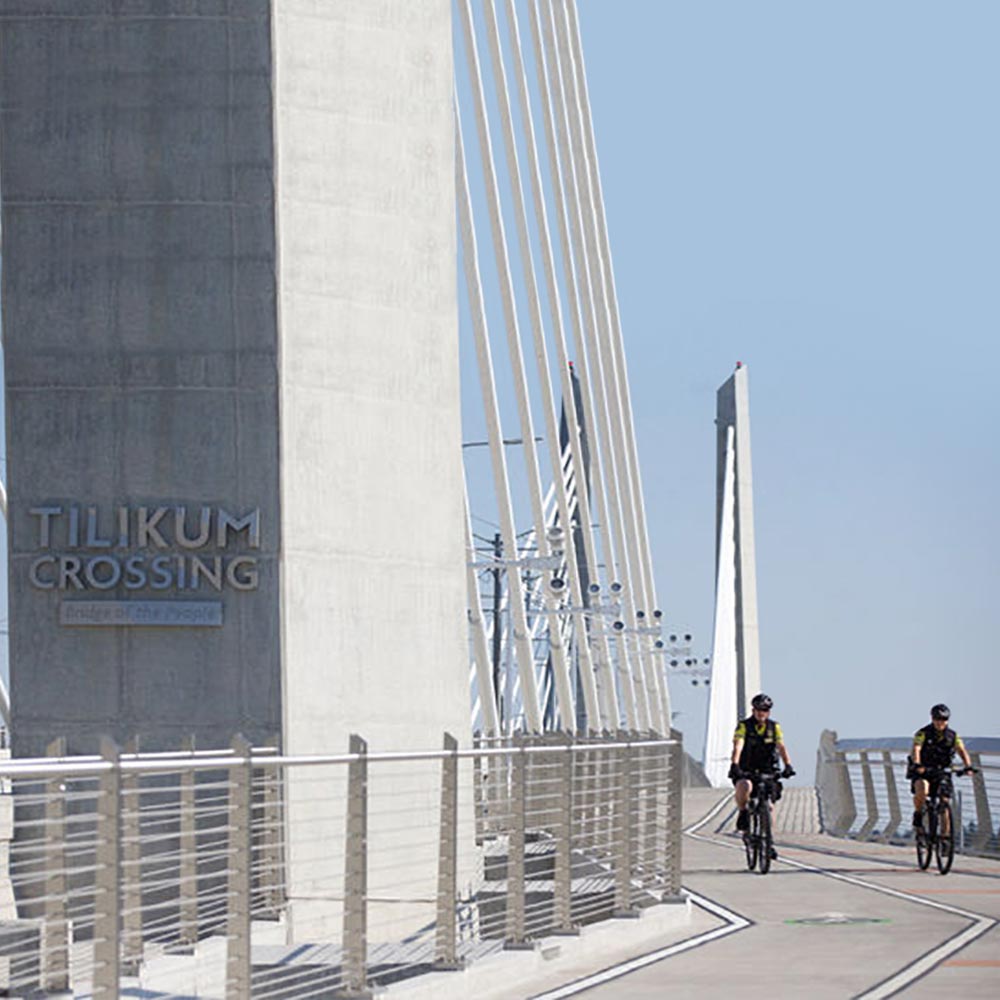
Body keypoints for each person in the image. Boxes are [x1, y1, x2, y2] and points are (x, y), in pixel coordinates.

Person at [728, 693, 795, 841]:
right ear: (753, 710)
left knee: (769, 806)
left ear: (769, 712)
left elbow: (781, 747)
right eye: (758, 710)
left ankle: (768, 841)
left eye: (765, 710)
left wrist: (788, 765)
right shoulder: (744, 726)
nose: (761, 713)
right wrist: (735, 764)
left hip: (767, 768)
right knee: (744, 785)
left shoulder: (774, 727)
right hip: (747, 767)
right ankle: (743, 812)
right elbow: (738, 746)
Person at [911, 703, 973, 833]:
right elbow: (916, 748)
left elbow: (962, 750)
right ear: (932, 719)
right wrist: (917, 764)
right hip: (924, 770)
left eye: (944, 719)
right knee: (922, 789)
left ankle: (945, 837)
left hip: (942, 771)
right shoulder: (922, 733)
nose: (940, 722)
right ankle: (918, 813)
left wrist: (968, 766)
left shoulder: (953, 736)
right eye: (937, 719)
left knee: (944, 803)